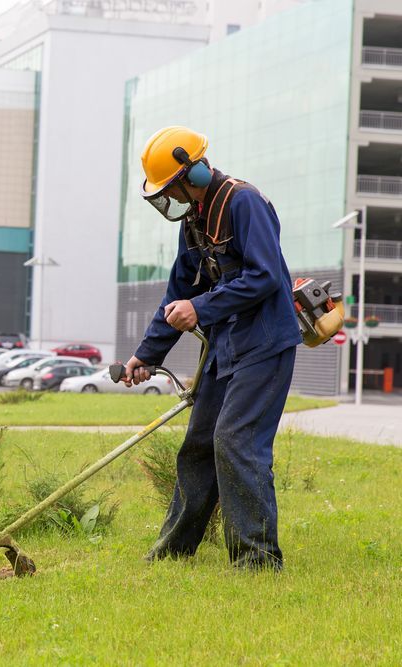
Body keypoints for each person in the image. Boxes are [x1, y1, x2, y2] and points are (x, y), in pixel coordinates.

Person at [123, 126, 302, 571]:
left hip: (264, 345)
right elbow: (177, 293)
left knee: (236, 441)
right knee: (200, 444)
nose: (172, 197)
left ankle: (257, 561)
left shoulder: (244, 202)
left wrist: (200, 308)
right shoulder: (195, 220)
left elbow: (265, 277)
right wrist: (146, 354)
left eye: (172, 186)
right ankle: (173, 551)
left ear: (193, 171)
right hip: (227, 348)